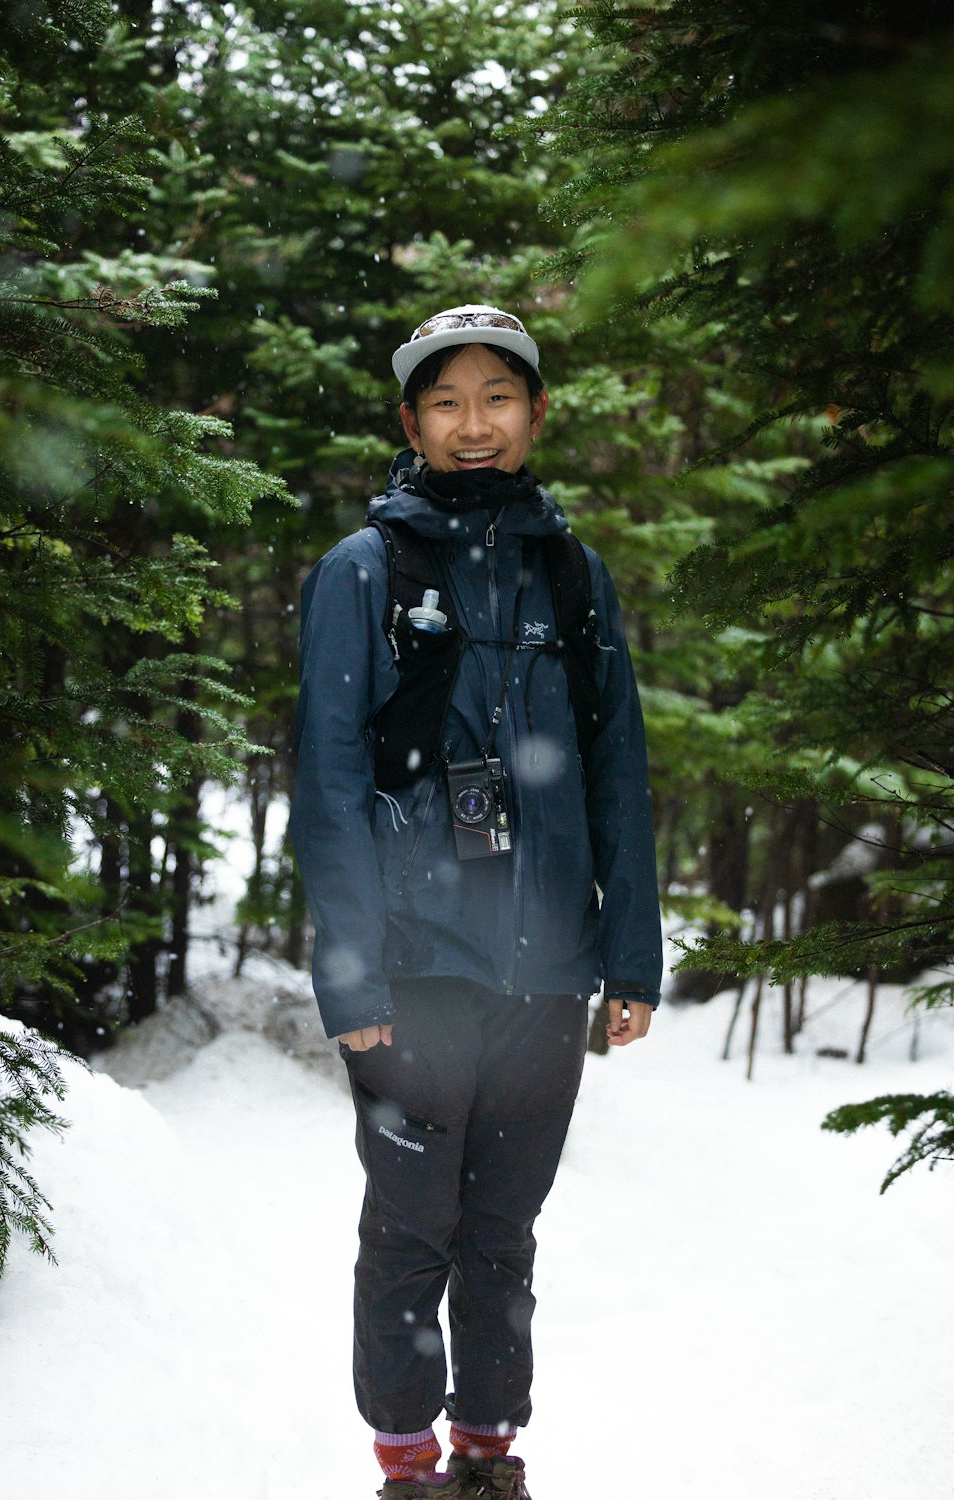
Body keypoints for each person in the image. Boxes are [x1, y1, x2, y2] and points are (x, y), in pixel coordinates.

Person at [289, 305, 662, 1500]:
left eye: (498, 397)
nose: (474, 424)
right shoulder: (362, 574)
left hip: (544, 971)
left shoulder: (571, 572)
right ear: (409, 423)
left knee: (503, 1236)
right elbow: (330, 785)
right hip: (412, 973)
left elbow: (617, 771)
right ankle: (404, 1467)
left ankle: (488, 1456)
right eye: (445, 402)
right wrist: (348, 980)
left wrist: (629, 959)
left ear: (536, 412)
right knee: (410, 1234)